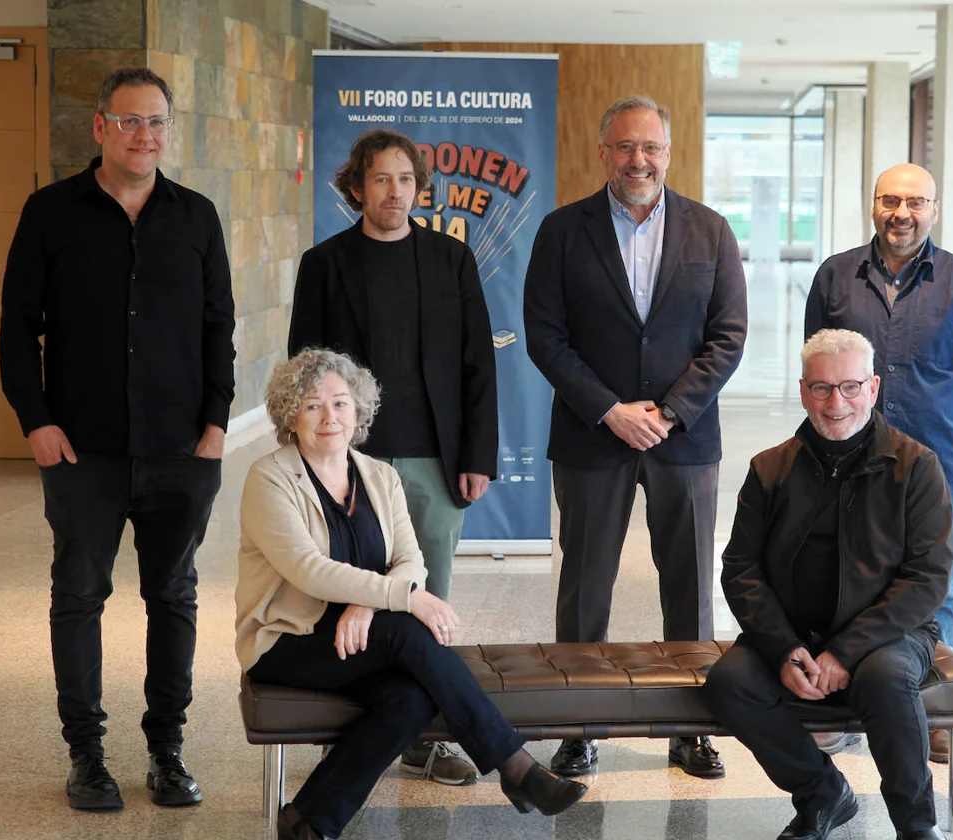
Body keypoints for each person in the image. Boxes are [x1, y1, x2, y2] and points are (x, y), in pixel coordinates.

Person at [0, 67, 234, 811]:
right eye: (130, 121)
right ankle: (87, 756)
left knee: (174, 599)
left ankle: (167, 750)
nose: (145, 136)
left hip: (180, 452)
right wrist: (34, 419)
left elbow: (218, 329)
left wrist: (218, 425)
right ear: (99, 126)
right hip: (82, 452)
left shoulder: (196, 217)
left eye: (158, 122)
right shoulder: (49, 213)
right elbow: (15, 328)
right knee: (79, 597)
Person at [236, 349, 586, 840]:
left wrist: (370, 601)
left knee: (410, 697)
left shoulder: (379, 476)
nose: (329, 417)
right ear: (290, 414)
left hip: (362, 637)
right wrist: (405, 598)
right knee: (405, 626)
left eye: (340, 403)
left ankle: (308, 820)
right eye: (312, 405)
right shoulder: (270, 478)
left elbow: (411, 559)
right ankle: (514, 765)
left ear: (358, 411)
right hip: (290, 640)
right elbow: (310, 571)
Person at [523, 95, 747, 779]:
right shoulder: (563, 231)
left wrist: (670, 412)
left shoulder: (710, 231)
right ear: (603, 153)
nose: (638, 160)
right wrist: (611, 409)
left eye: (650, 147)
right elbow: (545, 337)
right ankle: (578, 726)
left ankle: (690, 730)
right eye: (625, 147)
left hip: (686, 440)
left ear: (669, 153)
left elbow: (728, 337)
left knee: (690, 587)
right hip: (594, 437)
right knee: (585, 586)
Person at [288, 129, 497, 784]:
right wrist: (305, 459)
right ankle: (344, 735)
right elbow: (303, 369)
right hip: (348, 463)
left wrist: (479, 454)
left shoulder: (450, 261)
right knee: (345, 601)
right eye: (381, 179)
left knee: (426, 600)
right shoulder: (325, 264)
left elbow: (477, 364)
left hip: (435, 457)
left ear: (420, 189)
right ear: (357, 188)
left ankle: (426, 738)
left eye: (406, 179)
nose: (395, 191)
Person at [705, 328, 952, 840]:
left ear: (874, 387)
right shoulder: (769, 469)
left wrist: (845, 651)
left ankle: (916, 825)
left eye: (850, 387)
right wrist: (783, 648)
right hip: (793, 632)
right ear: (802, 391)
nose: (835, 402)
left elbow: (927, 579)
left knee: (884, 678)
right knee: (730, 682)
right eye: (821, 388)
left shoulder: (917, 467)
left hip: (889, 634)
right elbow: (741, 569)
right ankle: (822, 792)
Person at [803, 163, 953, 761]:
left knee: (939, 588)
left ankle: (936, 712)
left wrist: (934, 425)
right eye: (891, 200)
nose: (902, 213)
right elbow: (819, 366)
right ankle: (836, 706)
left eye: (916, 202)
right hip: (845, 461)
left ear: (933, 210)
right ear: (873, 205)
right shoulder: (836, 276)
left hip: (937, 464)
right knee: (840, 580)